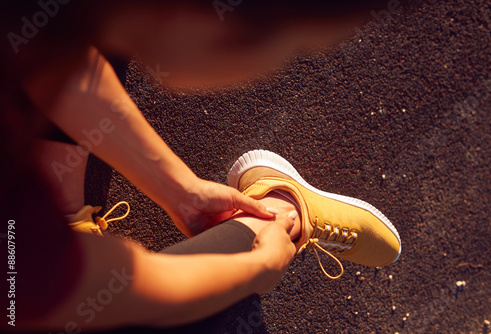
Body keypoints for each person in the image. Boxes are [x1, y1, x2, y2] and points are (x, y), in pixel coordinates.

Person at [0, 0, 405, 332]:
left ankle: (276, 218)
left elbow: (54, 60)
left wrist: (181, 189)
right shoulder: (22, 243)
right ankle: (280, 218)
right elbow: (86, 292)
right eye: (293, 47)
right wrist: (254, 270)